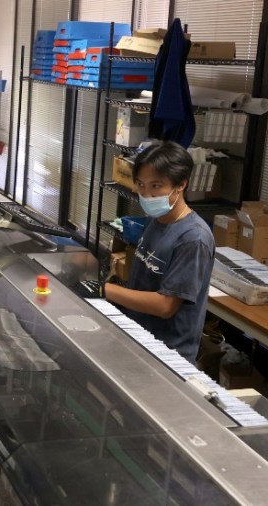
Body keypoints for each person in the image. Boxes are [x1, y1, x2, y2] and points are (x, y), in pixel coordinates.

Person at [101, 141, 215, 363]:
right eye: (141, 184)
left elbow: (165, 306)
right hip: (139, 341)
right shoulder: (156, 220)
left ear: (181, 185)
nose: (146, 194)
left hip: (167, 356)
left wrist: (106, 290)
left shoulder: (193, 238)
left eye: (155, 186)